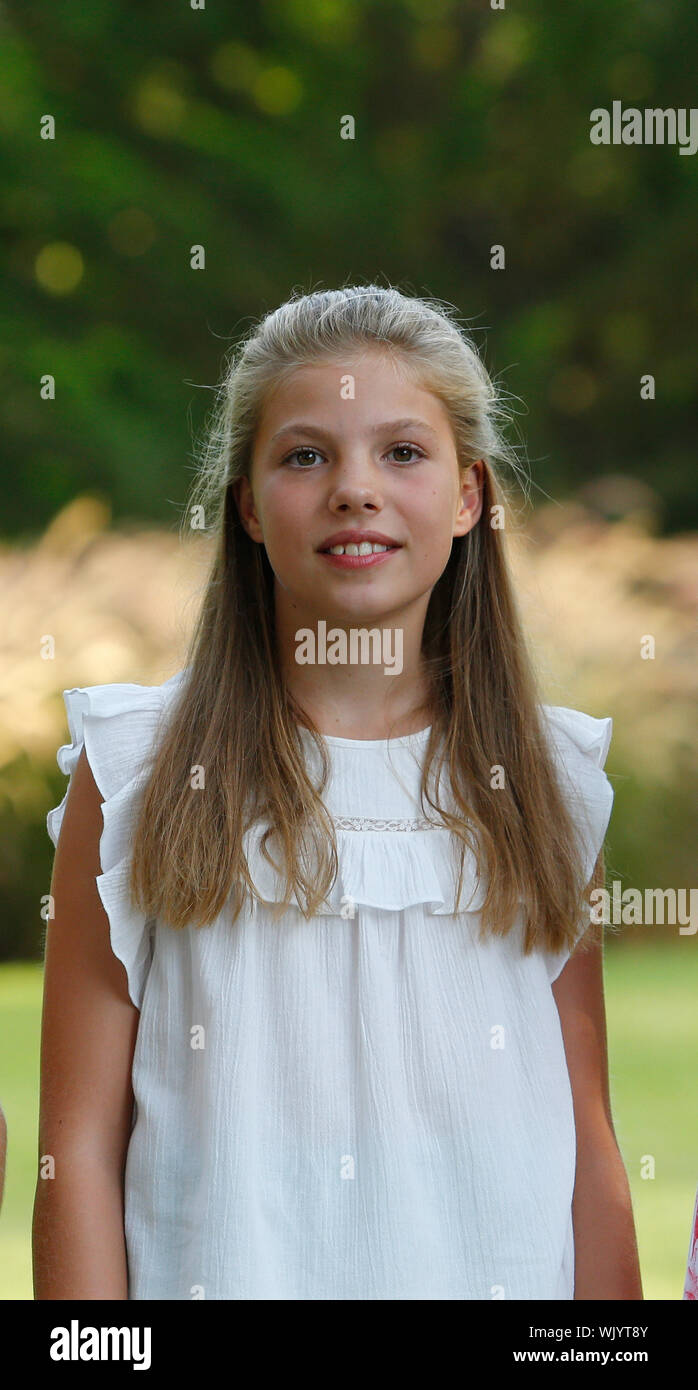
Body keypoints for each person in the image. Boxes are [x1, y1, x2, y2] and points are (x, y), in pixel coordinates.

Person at [33, 285, 643, 1300]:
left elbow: (586, 1146)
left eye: (401, 452)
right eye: (304, 455)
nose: (353, 488)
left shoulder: (545, 779)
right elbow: (78, 1152)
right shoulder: (134, 769)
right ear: (245, 503)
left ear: (467, 496)